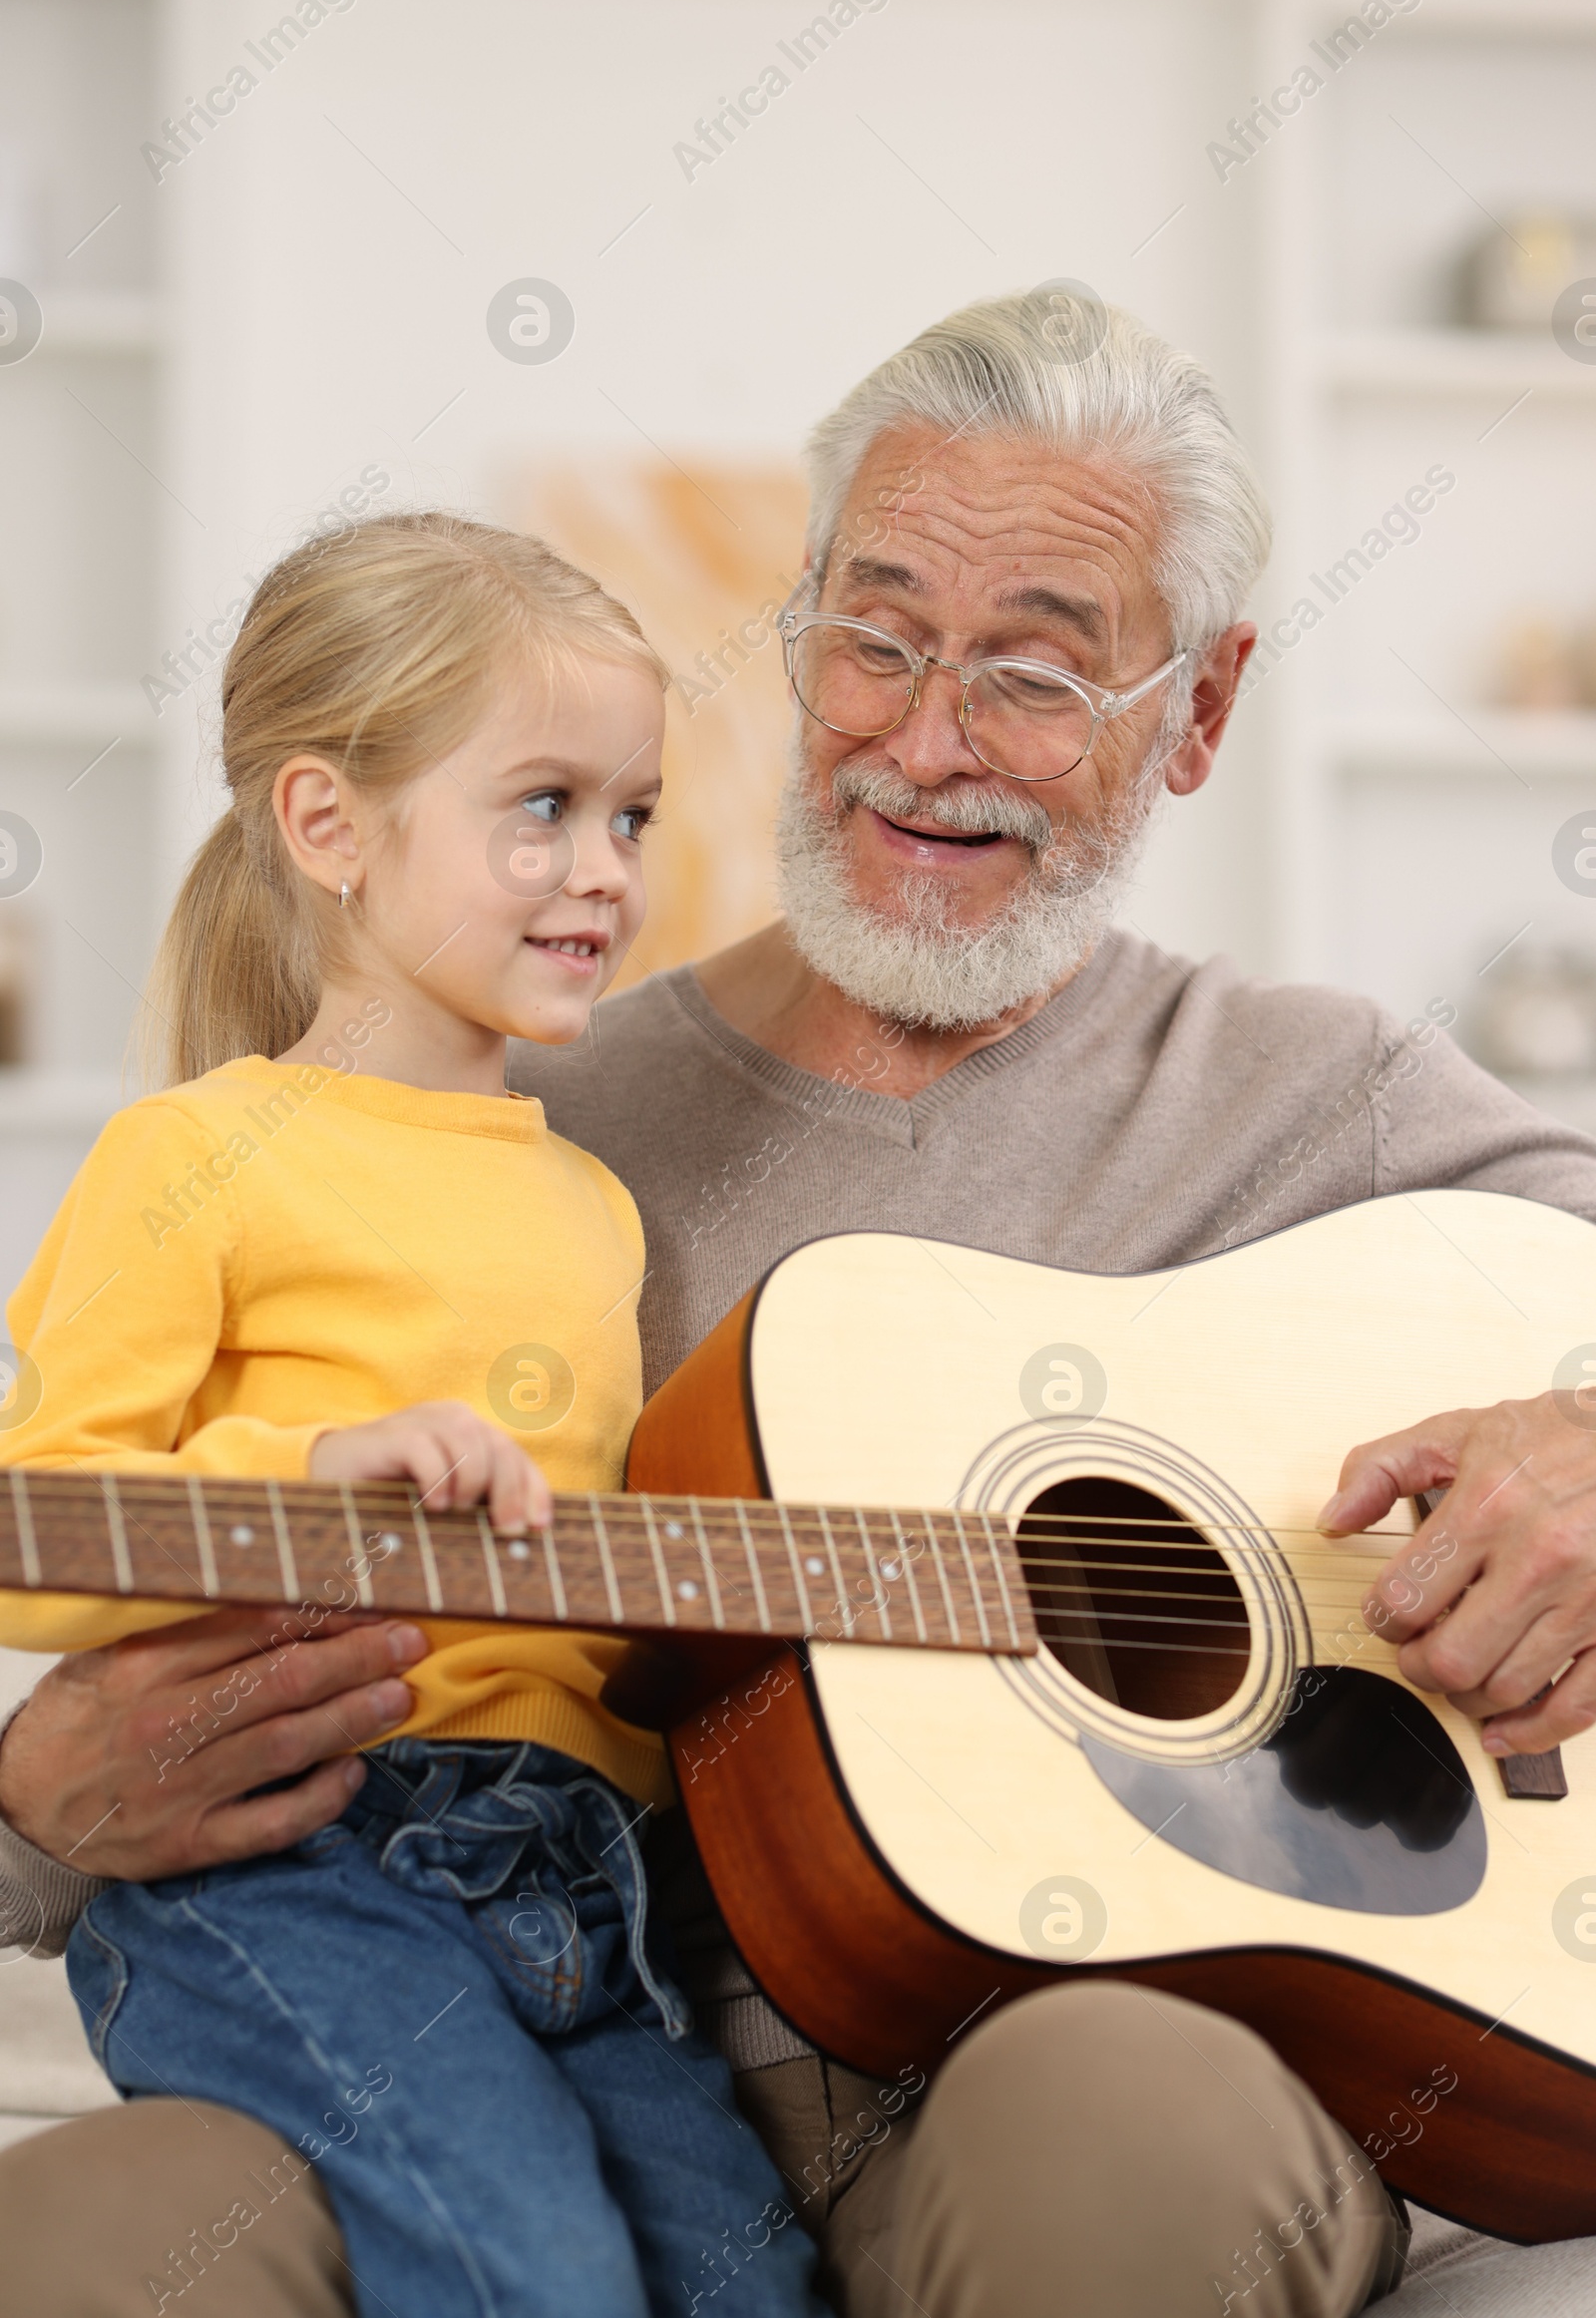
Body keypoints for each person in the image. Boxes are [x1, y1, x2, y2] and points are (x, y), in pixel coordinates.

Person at [4, 291, 1596, 2317]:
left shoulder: (1318, 1095)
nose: (923, 741)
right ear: (792, 636)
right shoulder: (503, 1121)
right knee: (91, 2234)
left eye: (1030, 672)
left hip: (1097, 2054)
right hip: (553, 2026)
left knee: (1105, 2111)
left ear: (1194, 716)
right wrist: (36, 1814)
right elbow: (135, 1531)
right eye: (873, 636)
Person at [0, 513, 821, 2318]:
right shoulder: (195, 1154)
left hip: (583, 1879)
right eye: (538, 805)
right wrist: (308, 1477)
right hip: (294, 1863)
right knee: (534, 2270)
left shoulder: (591, 1205)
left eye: (631, 811)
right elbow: (37, 1534)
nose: (602, 866)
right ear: (328, 828)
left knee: (754, 2293)